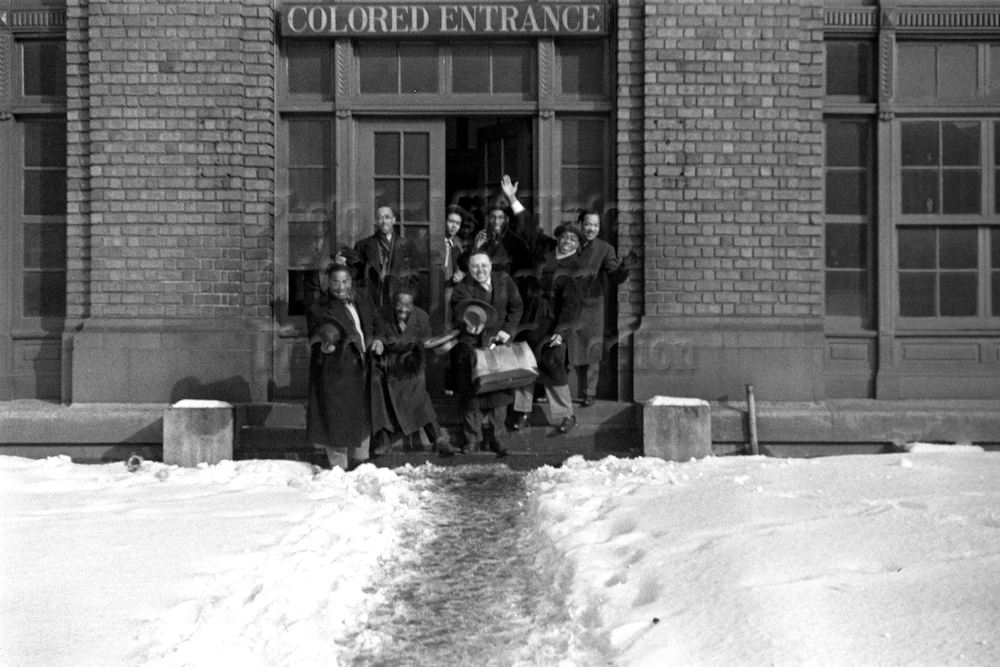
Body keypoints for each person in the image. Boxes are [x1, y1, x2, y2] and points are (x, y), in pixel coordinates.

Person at [305, 263, 385, 470]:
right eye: (335, 282)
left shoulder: (362, 299)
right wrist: (325, 343)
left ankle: (360, 462)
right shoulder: (319, 307)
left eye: (345, 281)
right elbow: (317, 333)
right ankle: (338, 468)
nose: (340, 287)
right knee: (336, 419)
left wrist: (378, 340)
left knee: (364, 414)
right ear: (327, 283)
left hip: (364, 366)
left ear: (351, 281)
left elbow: (377, 323)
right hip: (337, 370)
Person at [510, 225, 584, 434]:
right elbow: (528, 228)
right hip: (530, 321)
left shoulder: (574, 269)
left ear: (577, 245)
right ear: (558, 239)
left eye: (573, 239)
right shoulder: (545, 257)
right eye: (564, 237)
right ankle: (522, 412)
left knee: (552, 367)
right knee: (525, 367)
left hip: (552, 326)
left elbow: (572, 305)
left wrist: (561, 332)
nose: (567, 241)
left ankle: (567, 415)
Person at [449, 250, 524, 456]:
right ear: (468, 269)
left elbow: (516, 307)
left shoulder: (505, 281)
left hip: (499, 345)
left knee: (500, 393)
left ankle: (498, 440)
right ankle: (472, 439)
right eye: (474, 266)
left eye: (484, 265)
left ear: (491, 266)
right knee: (471, 395)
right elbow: (459, 312)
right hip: (471, 346)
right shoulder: (462, 289)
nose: (480, 270)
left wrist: (507, 331)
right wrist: (470, 324)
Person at [371, 290, 457, 457]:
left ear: (413, 305)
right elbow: (379, 337)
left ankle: (438, 440)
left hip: (411, 364)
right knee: (384, 402)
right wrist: (379, 344)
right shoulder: (383, 316)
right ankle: (385, 442)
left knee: (421, 399)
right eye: (399, 304)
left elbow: (426, 341)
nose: (403, 309)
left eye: (407, 305)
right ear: (393, 304)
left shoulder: (421, 317)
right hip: (390, 365)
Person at [567, 211, 638, 406]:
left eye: (595, 226)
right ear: (580, 224)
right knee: (569, 348)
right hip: (568, 305)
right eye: (587, 224)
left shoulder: (605, 249)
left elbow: (615, 277)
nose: (591, 229)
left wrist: (624, 268)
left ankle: (589, 393)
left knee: (593, 349)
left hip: (592, 306)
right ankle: (569, 392)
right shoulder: (569, 243)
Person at [459, 175, 535, 281]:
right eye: (493, 217)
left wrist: (512, 197)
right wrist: (475, 248)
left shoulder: (516, 242)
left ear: (506, 220)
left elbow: (529, 226)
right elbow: (463, 265)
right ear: (488, 219)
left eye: (500, 217)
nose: (496, 221)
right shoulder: (482, 237)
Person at [354, 205, 419, 310]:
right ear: (376, 221)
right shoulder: (362, 246)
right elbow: (356, 276)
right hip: (372, 302)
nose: (384, 221)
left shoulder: (408, 246)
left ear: (394, 220)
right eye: (380, 218)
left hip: (398, 302)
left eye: (387, 217)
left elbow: (414, 278)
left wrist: (409, 299)